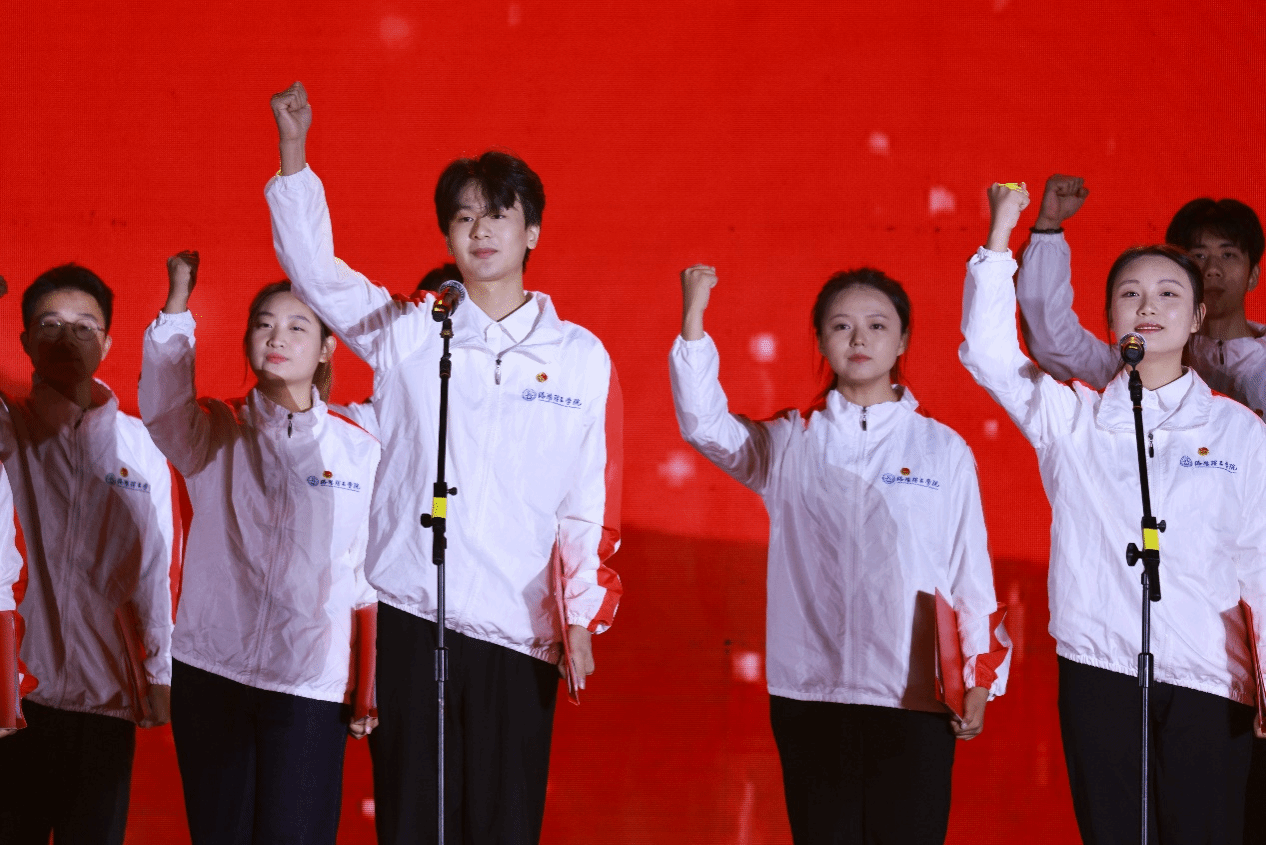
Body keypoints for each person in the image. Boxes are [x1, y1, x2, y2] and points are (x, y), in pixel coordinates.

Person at [265, 82, 623, 845]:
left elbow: (586, 496)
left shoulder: (580, 357)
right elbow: (314, 271)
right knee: (412, 823)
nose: (480, 228)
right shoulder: (410, 330)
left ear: (532, 230)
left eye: (498, 213)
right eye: (463, 216)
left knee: (502, 825)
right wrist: (295, 154)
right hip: (411, 616)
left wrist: (581, 615)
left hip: (517, 631)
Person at [961, 182, 1266, 842]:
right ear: (1109, 320)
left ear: (1197, 316)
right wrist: (1000, 236)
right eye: (1131, 293)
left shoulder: (1240, 431)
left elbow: (1260, 565)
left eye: (1168, 294)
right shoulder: (1071, 417)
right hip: (1099, 669)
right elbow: (989, 354)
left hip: (1211, 676)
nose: (1148, 306)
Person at [670, 263, 1009, 843]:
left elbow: (968, 570)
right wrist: (694, 319)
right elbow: (704, 426)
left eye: (877, 325)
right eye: (841, 326)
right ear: (822, 341)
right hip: (811, 693)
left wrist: (979, 677)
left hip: (914, 696)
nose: (859, 339)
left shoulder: (942, 449)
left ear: (902, 340)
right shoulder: (789, 441)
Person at [138, 251, 381, 845]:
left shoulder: (359, 450)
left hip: (308, 683)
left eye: (298, 327)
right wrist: (177, 307)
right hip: (212, 669)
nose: (277, 338)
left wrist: (367, 682)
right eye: (264, 324)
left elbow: (363, 574)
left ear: (326, 349)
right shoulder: (214, 429)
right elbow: (162, 408)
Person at [0, 263, 176, 845]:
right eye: (50, 324)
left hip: (106, 700)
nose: (66, 338)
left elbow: (157, 571)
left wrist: (158, 672)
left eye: (84, 326)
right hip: (15, 696)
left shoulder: (142, 447)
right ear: (25, 339)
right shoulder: (9, 430)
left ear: (107, 343)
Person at [1016, 173, 1266, 415]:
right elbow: (1055, 342)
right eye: (1198, 255)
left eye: (1228, 255)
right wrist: (1048, 227)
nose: (1212, 269)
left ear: (1253, 275)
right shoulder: (1137, 359)